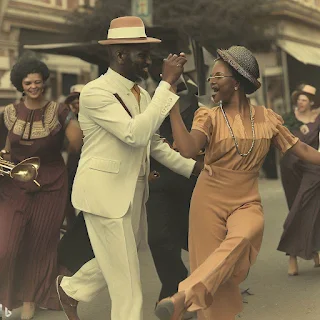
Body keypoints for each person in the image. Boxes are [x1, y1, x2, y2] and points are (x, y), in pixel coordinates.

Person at [154, 46, 320, 320]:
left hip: (246, 200)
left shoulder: (267, 118)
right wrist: (172, 108)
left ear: (238, 81)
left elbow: (300, 149)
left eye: (218, 75)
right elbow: (186, 149)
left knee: (245, 234)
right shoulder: (208, 116)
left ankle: (184, 296)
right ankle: (192, 303)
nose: (212, 82)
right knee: (215, 279)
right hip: (208, 200)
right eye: (210, 77)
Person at [55, 16, 201, 320]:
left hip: (132, 193)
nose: (148, 62)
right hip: (105, 195)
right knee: (129, 286)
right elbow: (134, 134)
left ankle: (72, 289)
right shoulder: (95, 93)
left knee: (117, 262)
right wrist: (166, 84)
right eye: (142, 55)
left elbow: (153, 143)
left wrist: (193, 169)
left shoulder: (142, 94)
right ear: (121, 55)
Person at [0, 57, 83, 319]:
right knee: (7, 244)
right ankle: (7, 295)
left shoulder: (59, 110)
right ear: (20, 85)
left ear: (43, 82)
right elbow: (8, 146)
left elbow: (76, 143)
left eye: (37, 81)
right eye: (28, 82)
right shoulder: (9, 112)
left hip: (51, 183)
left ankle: (29, 302)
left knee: (41, 245)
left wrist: (75, 124)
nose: (34, 86)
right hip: (15, 184)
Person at [143, 55, 200, 314]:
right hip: (158, 179)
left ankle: (194, 293)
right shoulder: (145, 96)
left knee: (193, 238)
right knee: (158, 238)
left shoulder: (196, 94)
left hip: (190, 179)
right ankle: (173, 287)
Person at [277, 84, 320, 275]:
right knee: (295, 209)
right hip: (291, 168)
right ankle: (302, 254)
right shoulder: (289, 118)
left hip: (313, 168)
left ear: (311, 102)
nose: (301, 103)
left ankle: (300, 255)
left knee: (310, 209)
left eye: (305, 100)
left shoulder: (318, 118)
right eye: (299, 99)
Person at [63, 84, 85, 230]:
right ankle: (72, 227)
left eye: (80, 99)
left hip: (89, 164)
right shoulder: (69, 119)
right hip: (73, 162)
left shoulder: (96, 118)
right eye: (74, 100)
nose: (76, 102)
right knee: (67, 195)